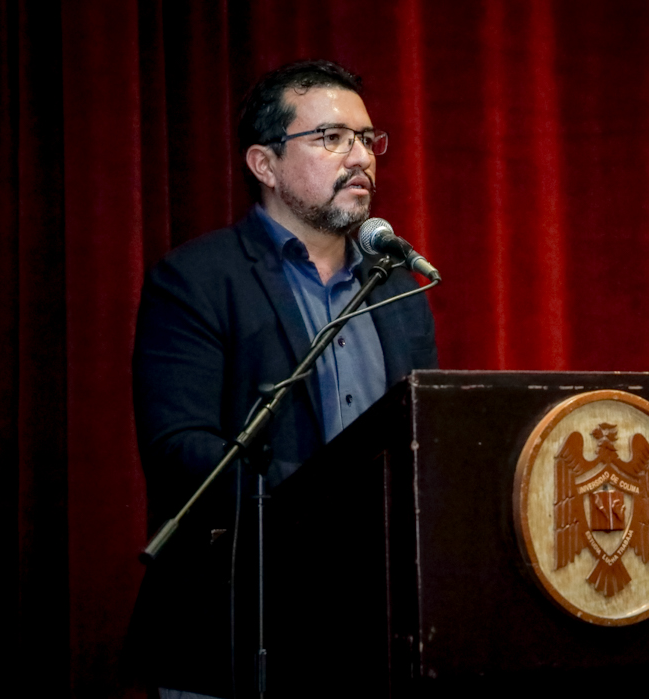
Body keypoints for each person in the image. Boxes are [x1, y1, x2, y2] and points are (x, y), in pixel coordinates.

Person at [128, 60, 438, 699]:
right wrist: (325, 505)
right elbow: (180, 449)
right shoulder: (196, 280)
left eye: (366, 138)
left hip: (372, 633)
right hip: (236, 626)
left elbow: (422, 444)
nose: (360, 156)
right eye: (331, 138)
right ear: (264, 164)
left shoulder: (397, 289)